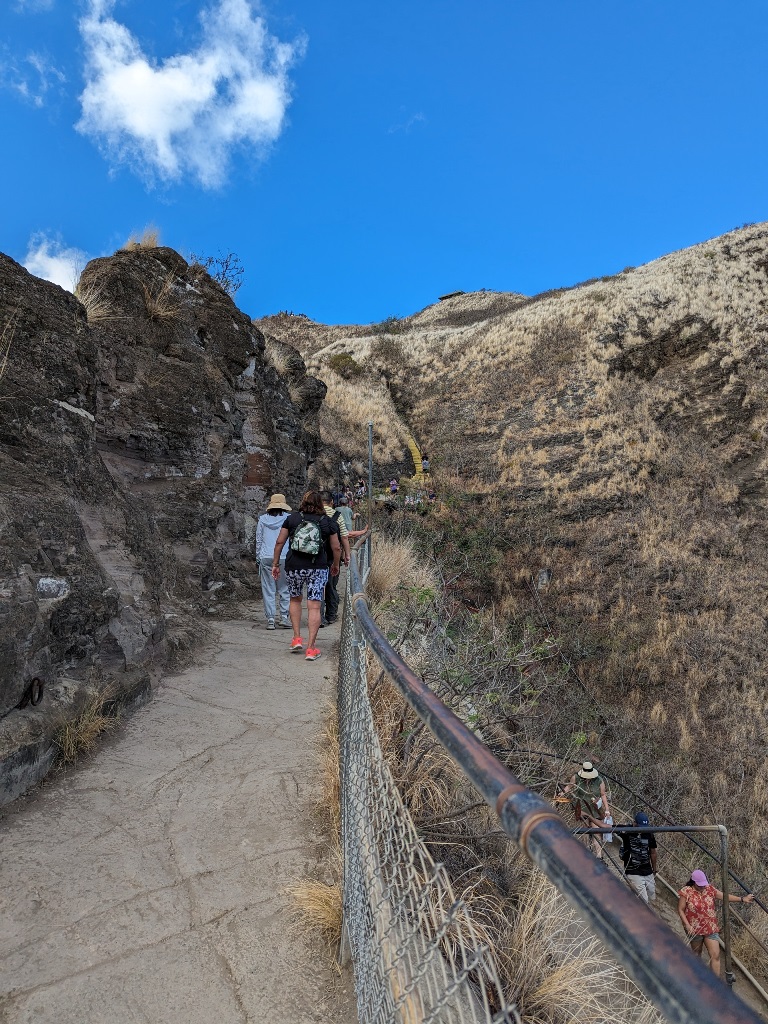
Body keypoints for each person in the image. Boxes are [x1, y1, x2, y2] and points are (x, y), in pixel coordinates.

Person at [271, 491, 341, 661]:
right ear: (321, 504)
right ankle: (311, 648)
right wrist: (335, 565)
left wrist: (275, 564)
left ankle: (296, 639)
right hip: (317, 567)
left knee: (295, 599)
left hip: (294, 566)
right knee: (314, 606)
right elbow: (336, 548)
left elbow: (280, 542)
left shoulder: (293, 518)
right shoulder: (328, 522)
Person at [677, 870, 756, 976]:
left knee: (716, 955)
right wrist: (687, 925)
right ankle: (695, 975)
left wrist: (742, 899)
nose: (702, 887)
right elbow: (681, 909)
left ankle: (715, 983)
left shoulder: (709, 888)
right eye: (700, 885)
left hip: (710, 927)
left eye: (703, 884)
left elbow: (724, 896)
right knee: (697, 952)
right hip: (694, 928)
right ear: (693, 882)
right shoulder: (686, 891)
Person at [254, 493, 292, 629]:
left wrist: (258, 557)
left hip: (266, 556)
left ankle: (270, 619)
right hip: (283, 557)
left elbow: (258, 540)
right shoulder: (288, 519)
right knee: (284, 588)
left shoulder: (262, 519)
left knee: (268, 588)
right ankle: (284, 617)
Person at [562, 761, 611, 859]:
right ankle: (586, 854)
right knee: (584, 831)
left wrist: (607, 809)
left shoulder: (599, 780)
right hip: (581, 808)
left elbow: (603, 795)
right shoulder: (576, 778)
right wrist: (562, 793)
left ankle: (599, 856)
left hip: (594, 809)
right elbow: (569, 786)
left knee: (596, 831)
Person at [321, 489, 350, 626]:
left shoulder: (314, 514)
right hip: (333, 556)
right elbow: (344, 536)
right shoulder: (337, 515)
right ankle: (331, 615)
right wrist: (347, 555)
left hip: (315, 556)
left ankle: (318, 616)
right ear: (332, 502)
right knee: (331, 585)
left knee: (317, 586)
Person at [621, 812, 657, 903]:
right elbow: (606, 826)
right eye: (639, 826)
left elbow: (653, 852)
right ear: (634, 823)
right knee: (643, 900)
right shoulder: (627, 830)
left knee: (652, 893)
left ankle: (632, 902)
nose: (641, 829)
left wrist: (654, 869)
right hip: (633, 869)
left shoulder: (649, 833)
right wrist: (590, 817)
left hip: (647, 868)